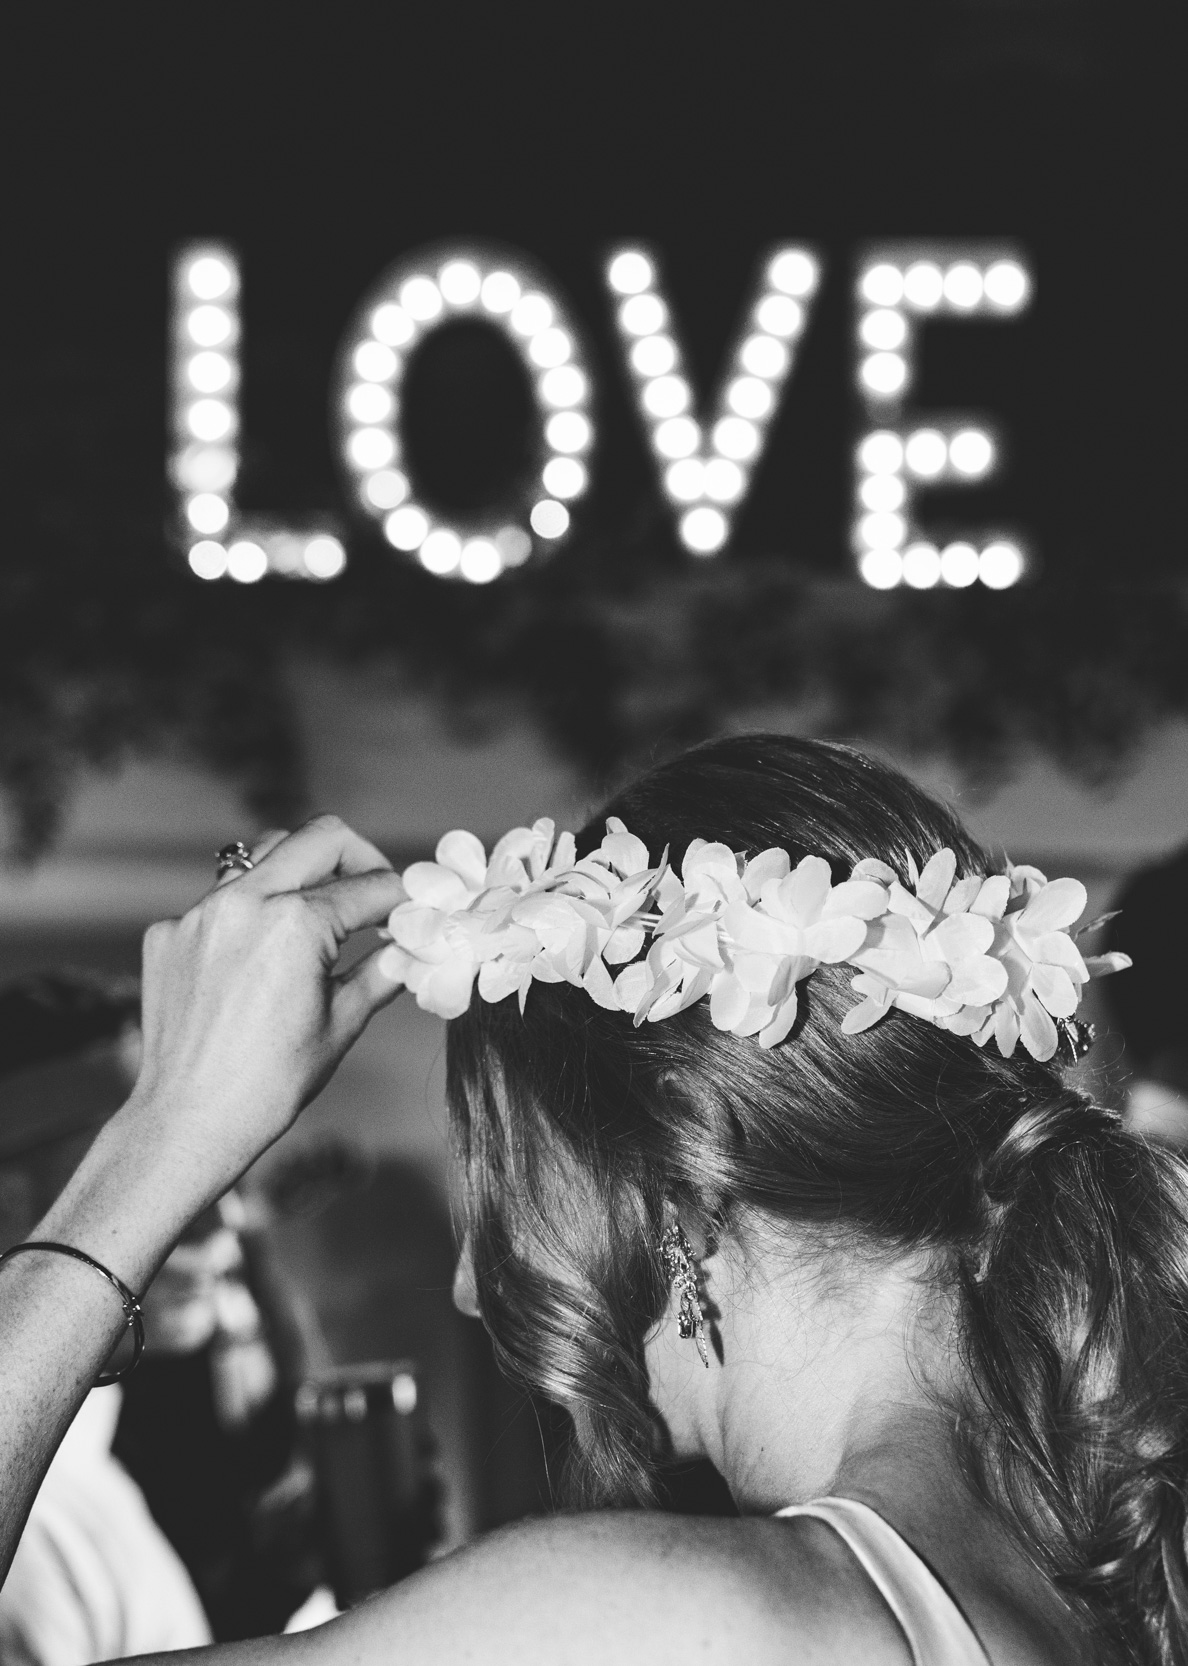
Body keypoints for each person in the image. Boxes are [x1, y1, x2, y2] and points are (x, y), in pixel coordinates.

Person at [0, 736, 1184, 1666]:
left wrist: (159, 1143)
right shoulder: (1104, 1587)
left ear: (677, 1175)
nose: (473, 1286)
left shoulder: (683, 1619)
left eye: (514, 1184)